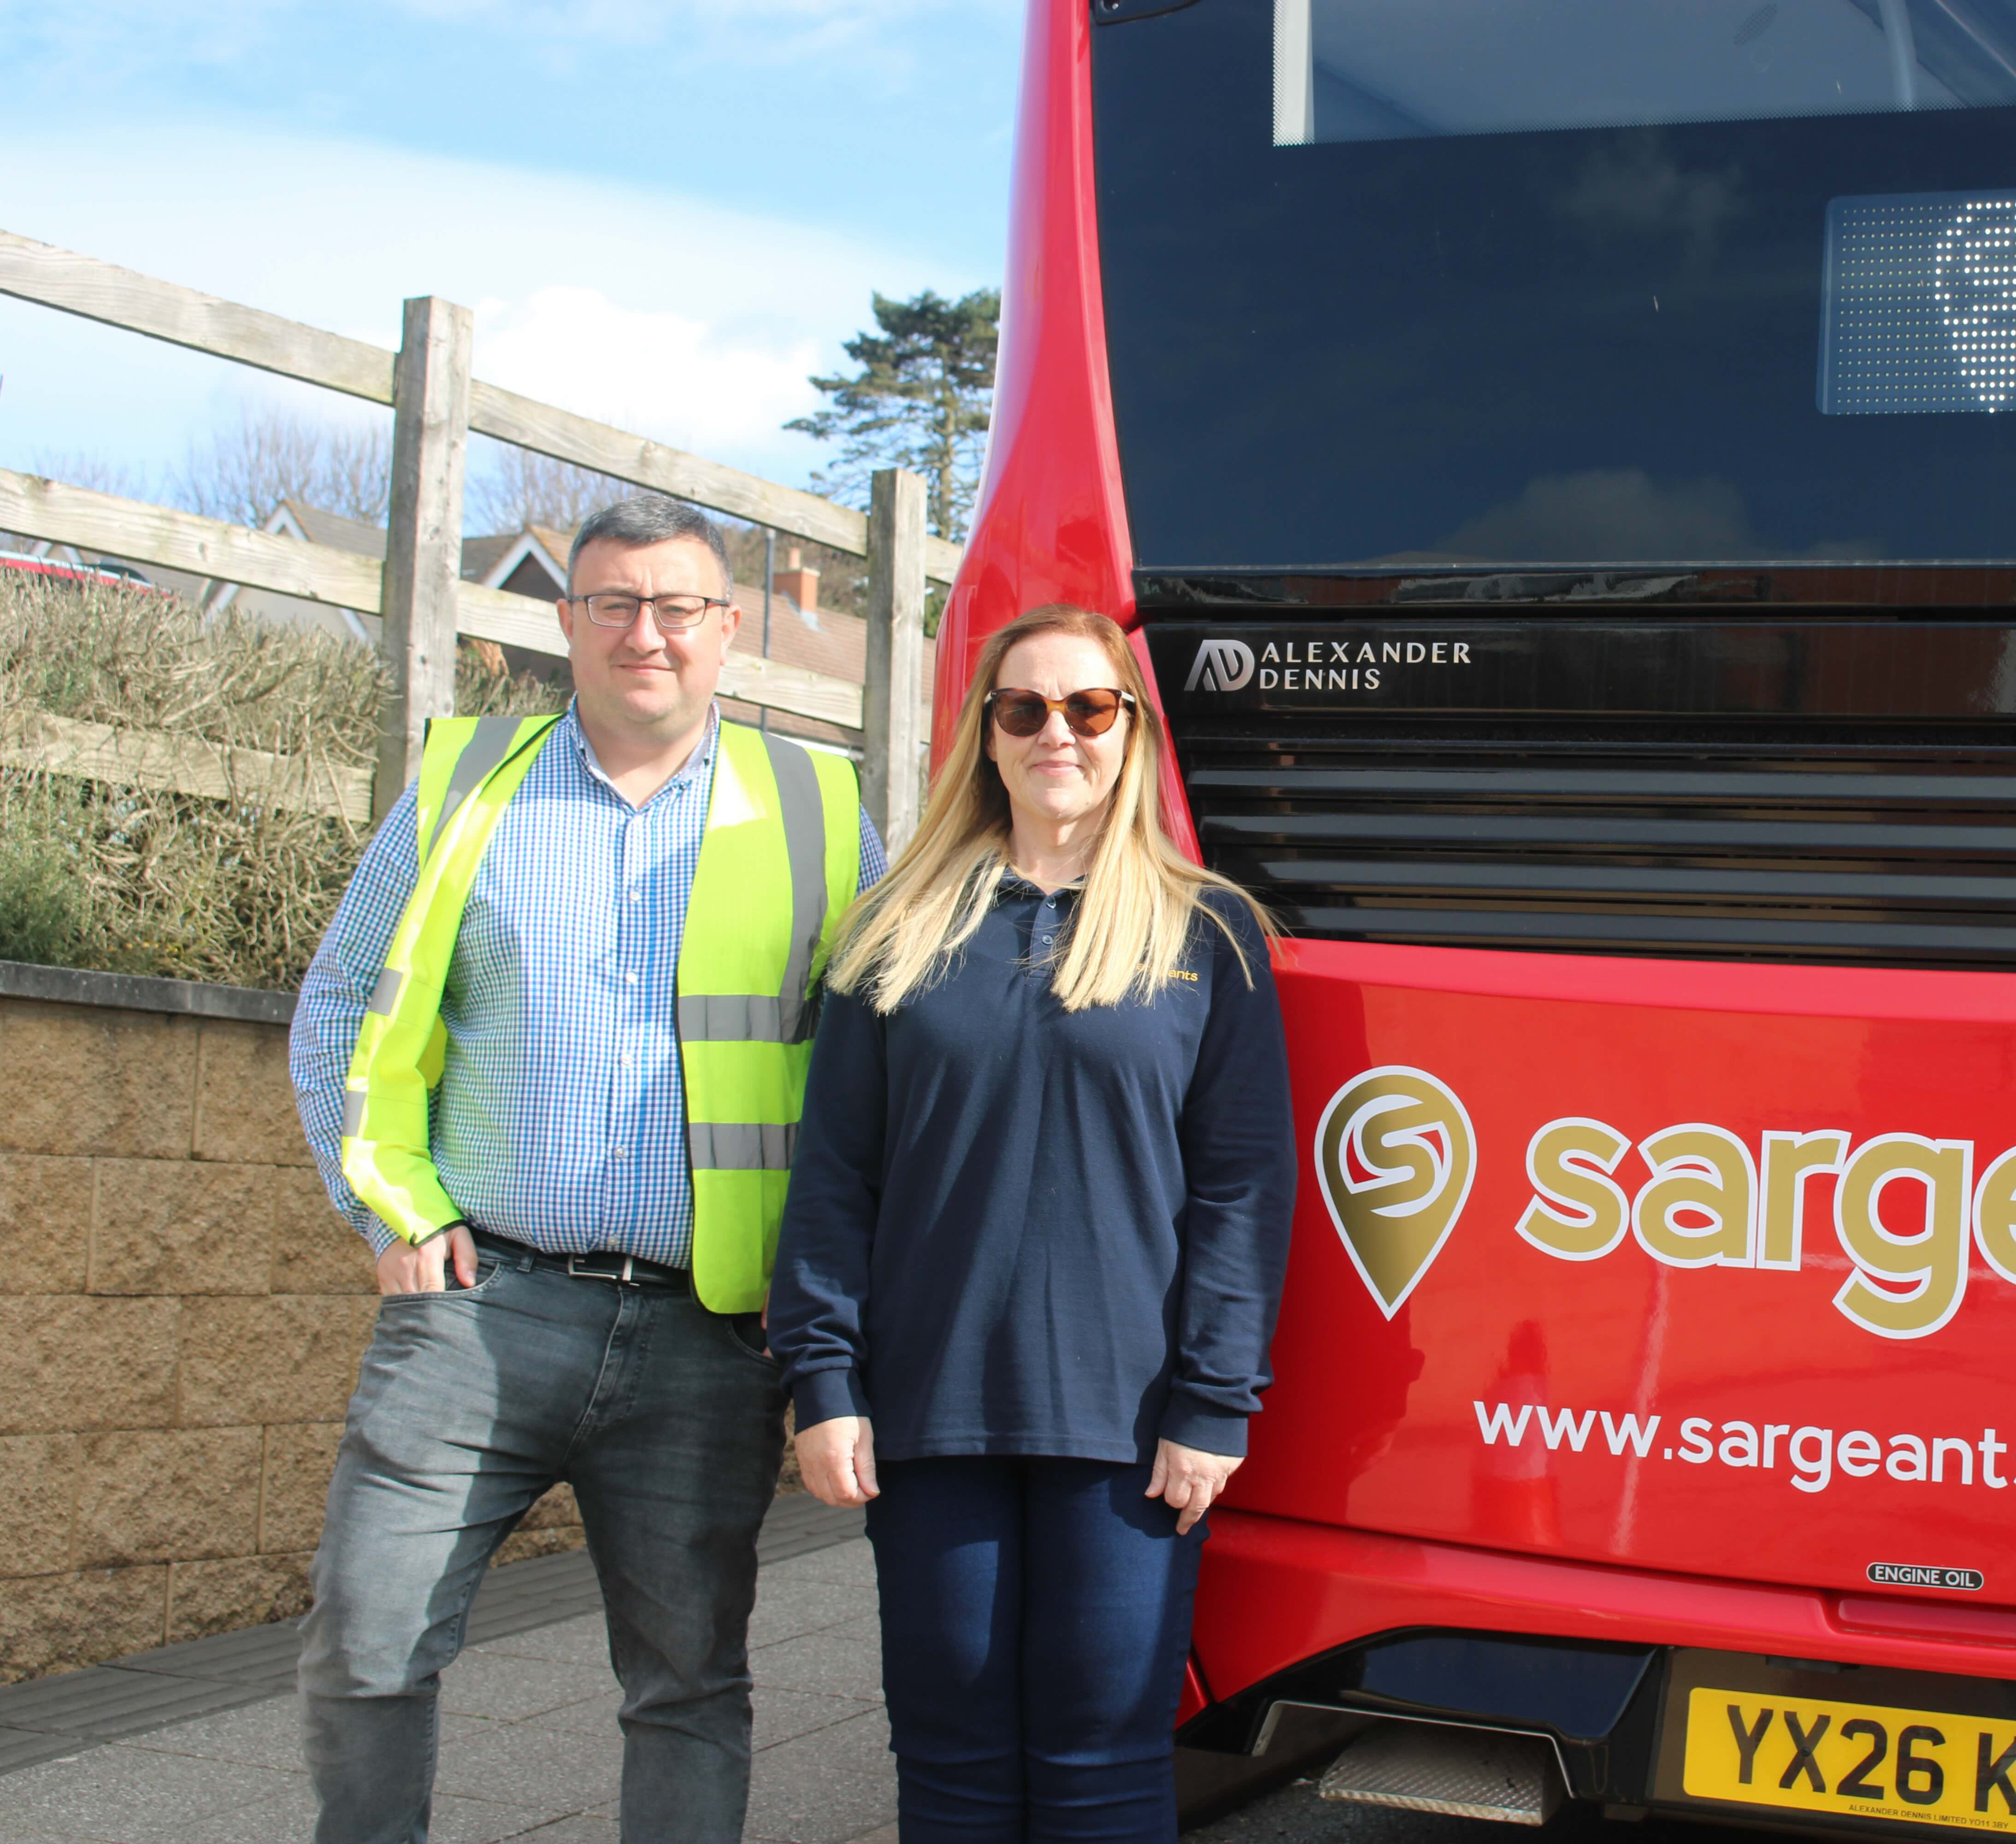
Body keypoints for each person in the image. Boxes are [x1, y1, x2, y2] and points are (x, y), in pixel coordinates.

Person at [289, 493, 884, 1844]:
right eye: (613, 603)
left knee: (687, 1686)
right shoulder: (462, 789)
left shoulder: (823, 807)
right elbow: (339, 1013)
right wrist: (386, 1203)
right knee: (366, 1644)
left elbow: (891, 1055)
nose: (646, 634)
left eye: (677, 607)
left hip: (711, 1336)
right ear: (567, 623)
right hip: (480, 1307)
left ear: (729, 630)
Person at [771, 603, 1296, 1844]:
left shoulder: (1208, 932)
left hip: (1127, 1426)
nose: (1056, 731)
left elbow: (1242, 1188)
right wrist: (823, 1382)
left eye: (1088, 707)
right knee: (948, 1761)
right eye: (1025, 708)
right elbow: (836, 1175)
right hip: (928, 1414)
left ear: (1131, 734)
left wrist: (1215, 1402)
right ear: (988, 739)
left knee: (1103, 1765)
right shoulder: (895, 930)